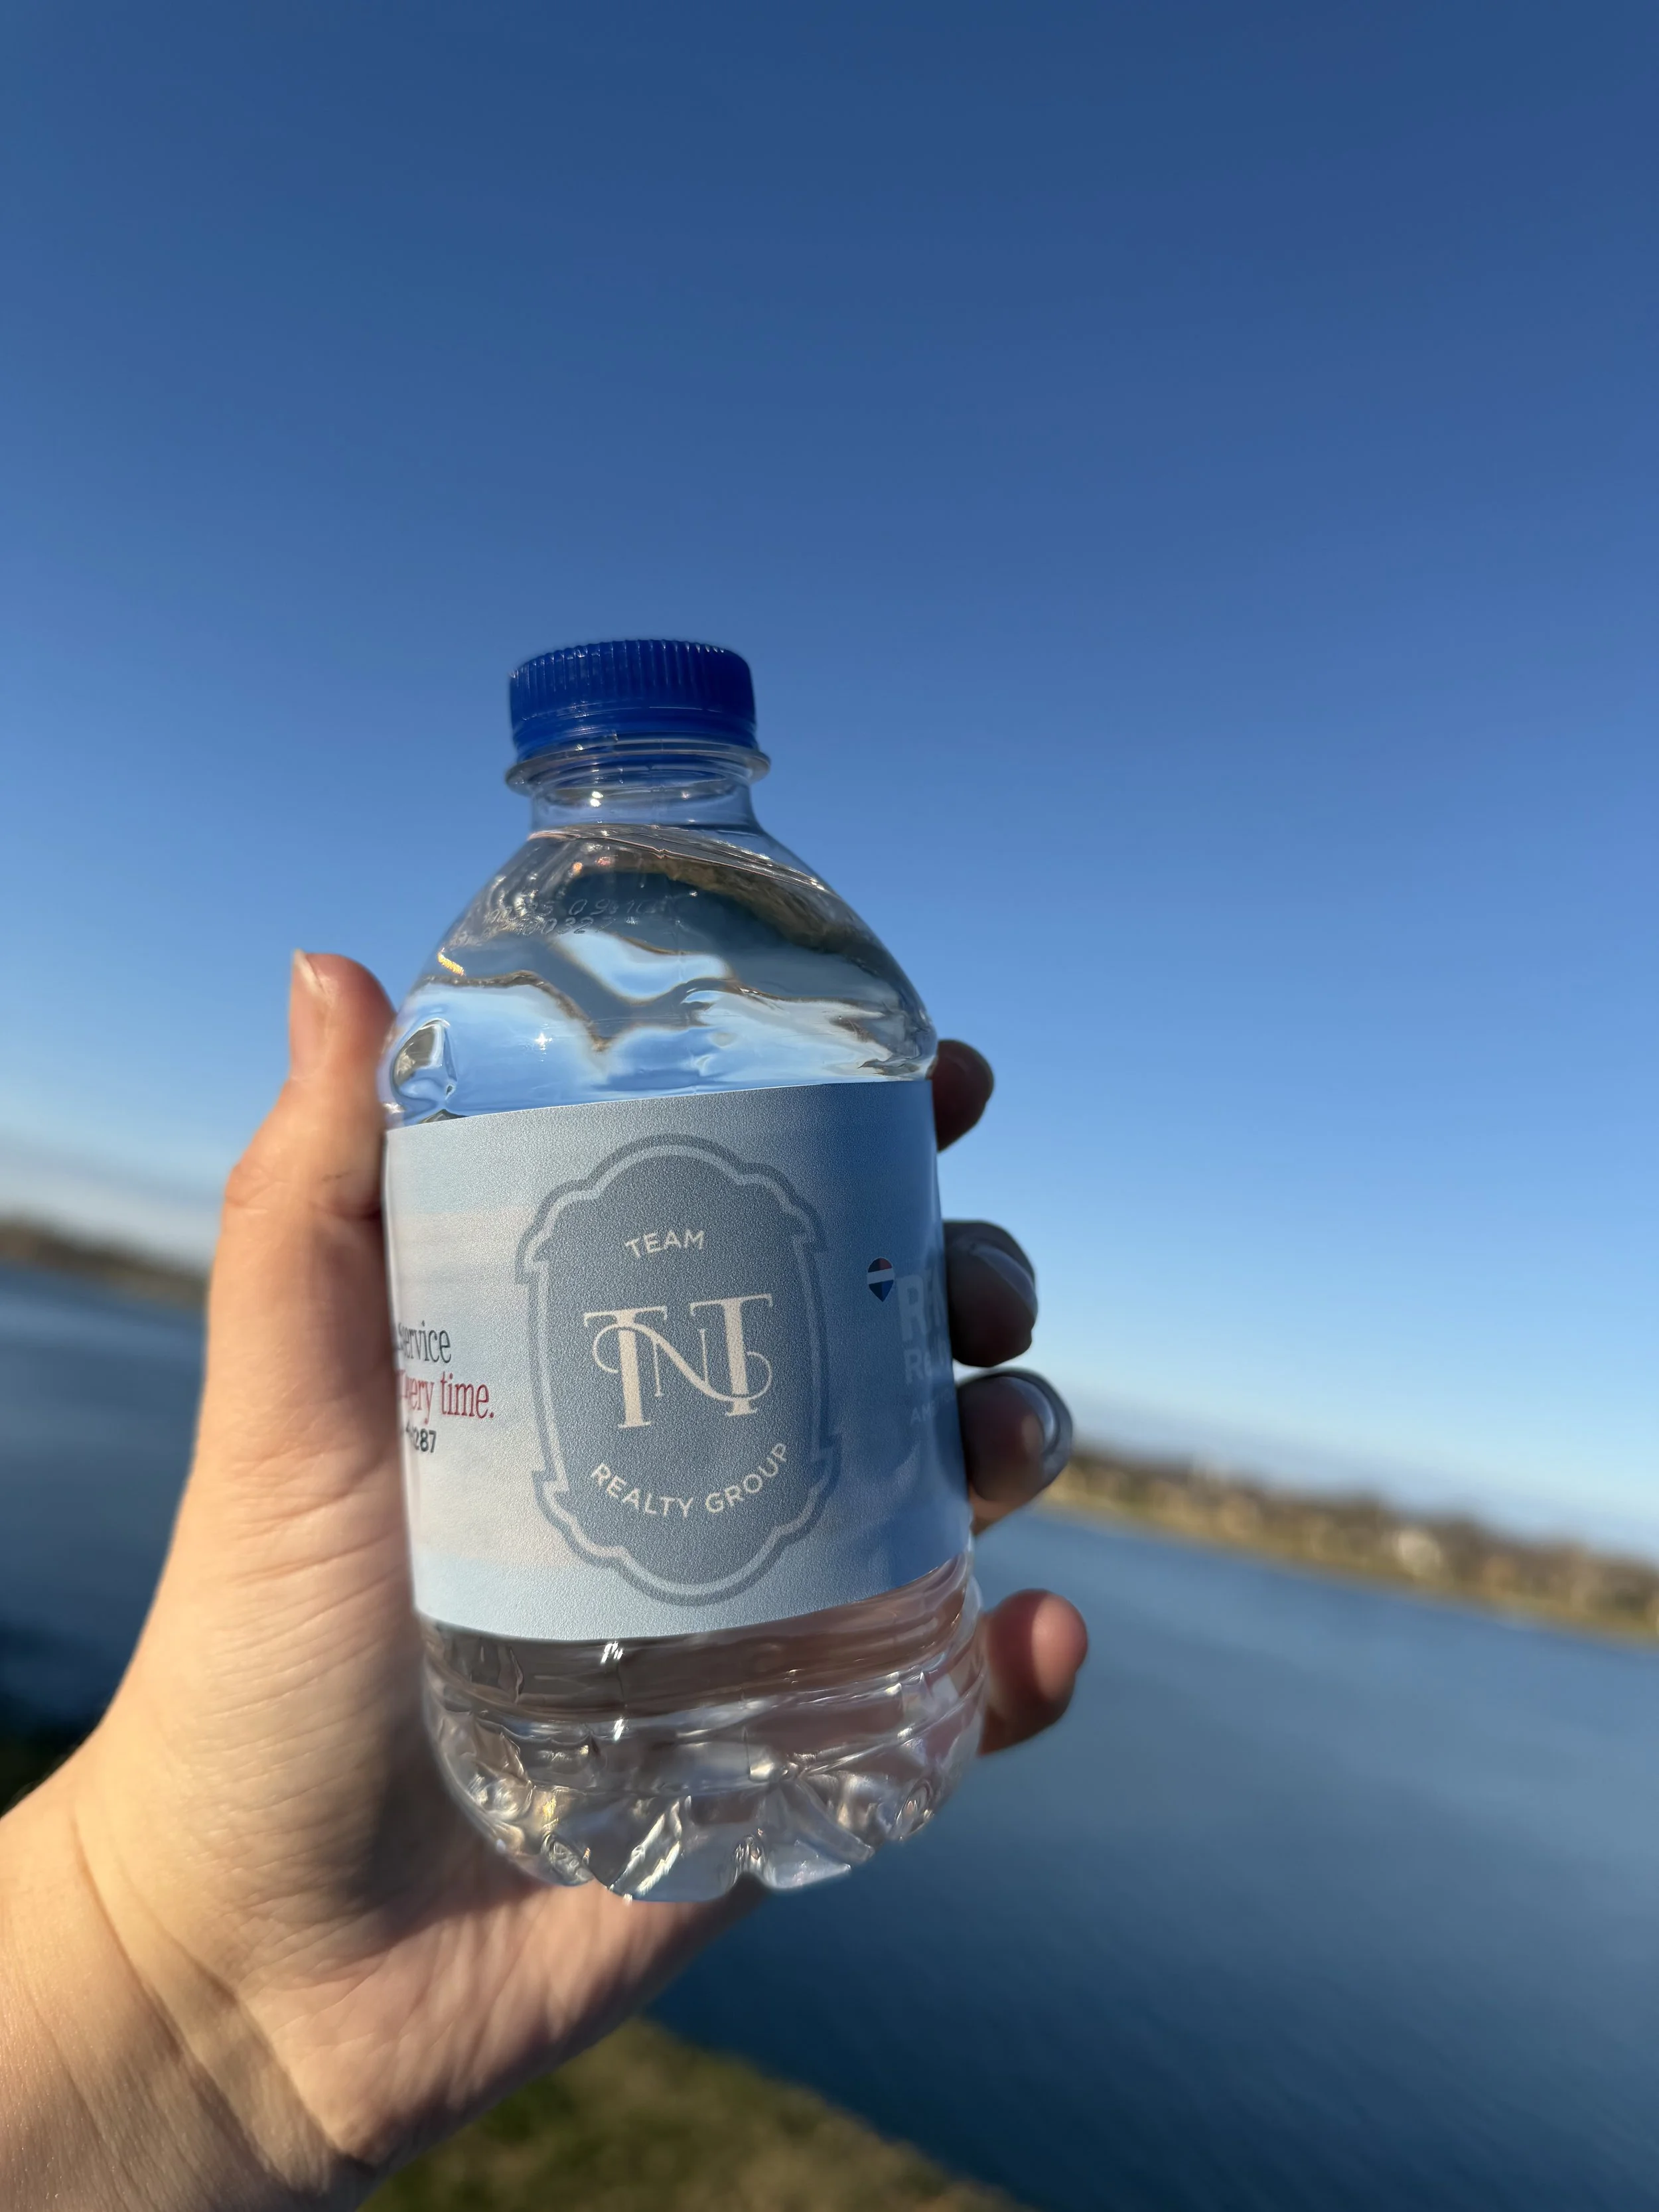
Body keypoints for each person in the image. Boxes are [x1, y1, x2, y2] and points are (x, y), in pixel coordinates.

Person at [0, 954, 1087, 2209]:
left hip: (788, 1722)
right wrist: (167, 1961)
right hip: (533, 1753)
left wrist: (177, 1989)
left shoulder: (561, 973)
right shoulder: (669, 968)